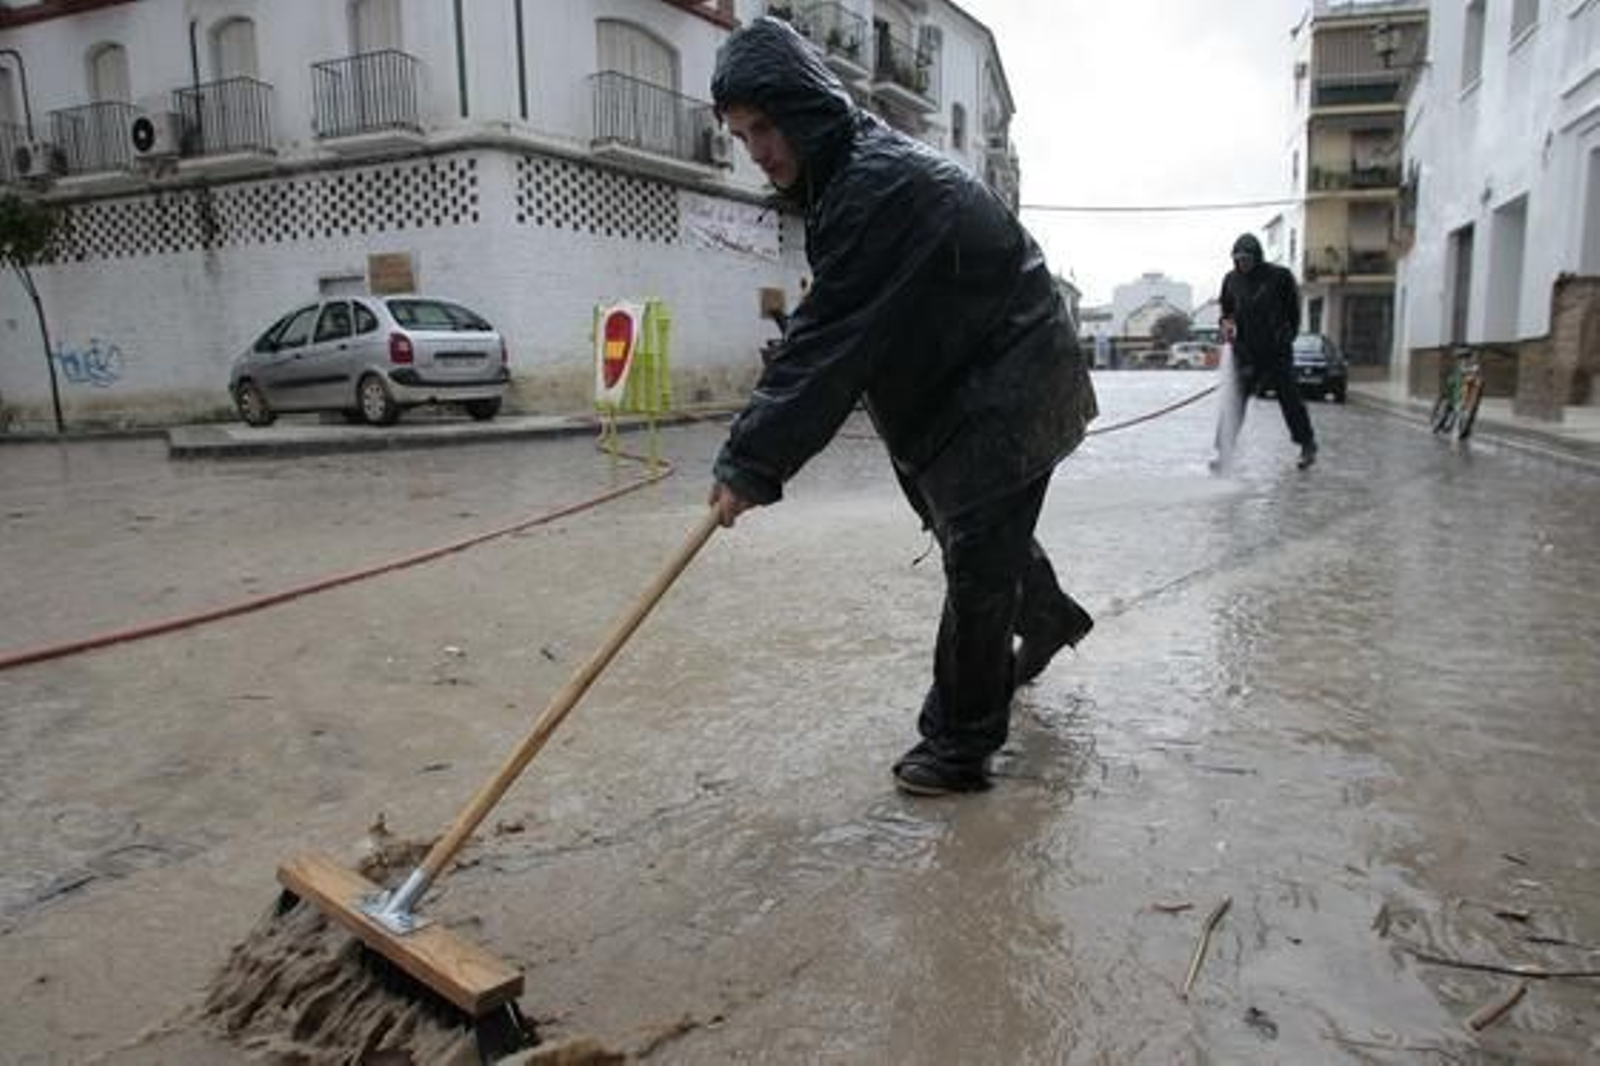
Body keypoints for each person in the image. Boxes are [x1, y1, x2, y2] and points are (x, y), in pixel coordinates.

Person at [704, 17, 1098, 797]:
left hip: (1015, 375)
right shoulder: (842, 179)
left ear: (803, 105)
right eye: (744, 136)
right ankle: (1048, 619)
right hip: (960, 385)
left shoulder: (874, 185)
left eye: (766, 127)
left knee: (978, 559)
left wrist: (752, 459)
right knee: (976, 530)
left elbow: (829, 341)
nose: (759, 151)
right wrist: (757, 444)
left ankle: (957, 747)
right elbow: (843, 331)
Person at [1215, 233, 1317, 470]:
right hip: (1246, 352)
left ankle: (1307, 445)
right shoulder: (1231, 280)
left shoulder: (1279, 277)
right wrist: (1226, 324)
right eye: (1238, 259)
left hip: (1277, 351)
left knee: (1290, 400)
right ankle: (1224, 452)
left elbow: (1293, 312)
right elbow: (1226, 312)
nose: (1243, 264)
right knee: (1235, 401)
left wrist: (1286, 339)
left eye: (1247, 259)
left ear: (1257, 257)